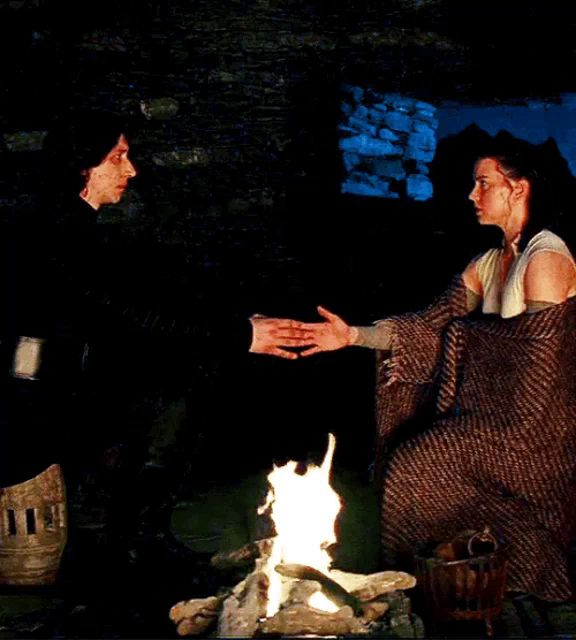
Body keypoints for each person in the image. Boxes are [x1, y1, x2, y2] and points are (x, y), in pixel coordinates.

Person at [1, 110, 314, 584]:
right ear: (83, 164)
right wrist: (239, 335)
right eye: (118, 157)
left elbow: (141, 307)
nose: (130, 169)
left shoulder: (75, 226)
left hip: (69, 383)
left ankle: (140, 537)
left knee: (184, 370)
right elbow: (121, 315)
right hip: (39, 401)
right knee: (173, 383)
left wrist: (233, 329)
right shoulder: (55, 231)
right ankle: (123, 549)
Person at [278, 131, 576, 602]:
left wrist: (469, 338)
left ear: (517, 189)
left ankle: (511, 576)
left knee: (421, 459)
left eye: (483, 183)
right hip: (490, 419)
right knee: (414, 458)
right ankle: (440, 583)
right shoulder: (490, 262)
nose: (471, 195)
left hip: (536, 432)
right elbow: (430, 325)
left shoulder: (547, 258)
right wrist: (351, 336)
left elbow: (541, 368)